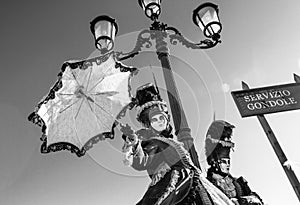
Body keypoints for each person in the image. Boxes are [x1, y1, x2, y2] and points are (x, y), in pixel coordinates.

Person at [121, 83, 234, 205]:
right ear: (149, 124)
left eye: (161, 118)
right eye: (154, 120)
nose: (159, 122)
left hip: (193, 180)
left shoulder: (169, 140)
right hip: (171, 184)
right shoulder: (151, 141)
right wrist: (134, 141)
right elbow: (142, 161)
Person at [205, 120, 264, 205]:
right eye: (224, 162)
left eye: (228, 161)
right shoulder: (207, 185)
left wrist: (242, 201)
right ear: (214, 161)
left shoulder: (240, 182)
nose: (228, 164)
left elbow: (258, 200)